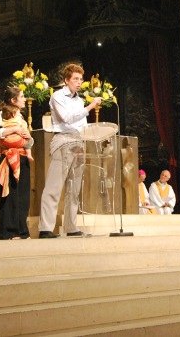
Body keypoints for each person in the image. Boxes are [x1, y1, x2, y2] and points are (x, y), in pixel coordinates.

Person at [38, 62, 102, 238]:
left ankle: (71, 226)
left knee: (74, 188)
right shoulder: (58, 96)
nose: (79, 82)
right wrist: (89, 108)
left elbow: (81, 124)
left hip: (78, 143)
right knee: (54, 186)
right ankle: (45, 228)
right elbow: (66, 119)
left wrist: (86, 138)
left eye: (81, 79)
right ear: (66, 80)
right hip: (63, 141)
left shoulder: (79, 100)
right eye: (75, 79)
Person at [0, 86, 32, 239]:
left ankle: (22, 230)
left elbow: (27, 140)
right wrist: (13, 129)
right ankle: (9, 230)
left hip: (22, 156)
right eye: (22, 97)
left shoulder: (21, 116)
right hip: (8, 157)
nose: (24, 99)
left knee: (23, 195)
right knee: (10, 194)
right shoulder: (1, 114)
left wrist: (28, 137)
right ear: (13, 100)